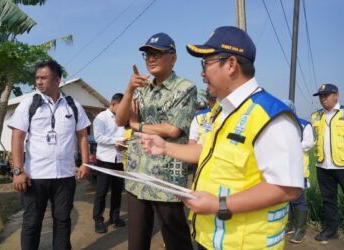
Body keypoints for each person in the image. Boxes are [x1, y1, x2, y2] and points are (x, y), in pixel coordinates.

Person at [136, 26, 303, 249]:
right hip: (211, 237)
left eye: (206, 63)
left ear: (231, 65)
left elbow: (287, 188)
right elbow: (205, 150)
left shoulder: (271, 116)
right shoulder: (223, 112)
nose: (202, 73)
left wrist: (219, 204)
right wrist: (164, 147)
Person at [115, 32, 196, 250]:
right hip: (137, 175)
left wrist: (137, 126)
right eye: (148, 54)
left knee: (176, 240)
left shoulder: (184, 88)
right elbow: (120, 119)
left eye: (158, 53)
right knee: (137, 241)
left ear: (173, 58)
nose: (151, 58)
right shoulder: (141, 88)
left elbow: (172, 128)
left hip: (165, 177)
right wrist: (130, 89)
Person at [8, 60, 90, 250]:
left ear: (57, 80)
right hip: (35, 177)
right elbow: (17, 137)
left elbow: (83, 136)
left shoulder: (72, 105)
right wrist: (18, 170)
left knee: (62, 221)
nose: (38, 82)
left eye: (43, 78)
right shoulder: (29, 103)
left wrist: (85, 163)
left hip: (65, 176)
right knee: (32, 223)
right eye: (37, 78)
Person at [311, 83, 344, 242]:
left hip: (342, 165)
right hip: (323, 166)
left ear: (336, 95)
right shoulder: (316, 116)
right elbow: (311, 140)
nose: (323, 99)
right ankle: (332, 230)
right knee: (328, 200)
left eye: (326, 95)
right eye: (321, 97)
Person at [92, 93, 126, 233]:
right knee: (102, 191)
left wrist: (123, 142)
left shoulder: (123, 119)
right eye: (121, 106)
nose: (123, 109)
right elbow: (98, 138)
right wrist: (115, 141)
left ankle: (115, 217)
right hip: (105, 160)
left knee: (117, 190)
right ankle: (98, 220)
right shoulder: (101, 118)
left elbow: (125, 135)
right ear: (113, 104)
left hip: (118, 159)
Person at [283, 100, 314, 244]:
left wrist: (292, 146)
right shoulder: (279, 124)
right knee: (286, 197)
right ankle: (289, 225)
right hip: (282, 168)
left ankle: (300, 230)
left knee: (298, 198)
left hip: (298, 168)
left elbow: (309, 143)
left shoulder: (303, 124)